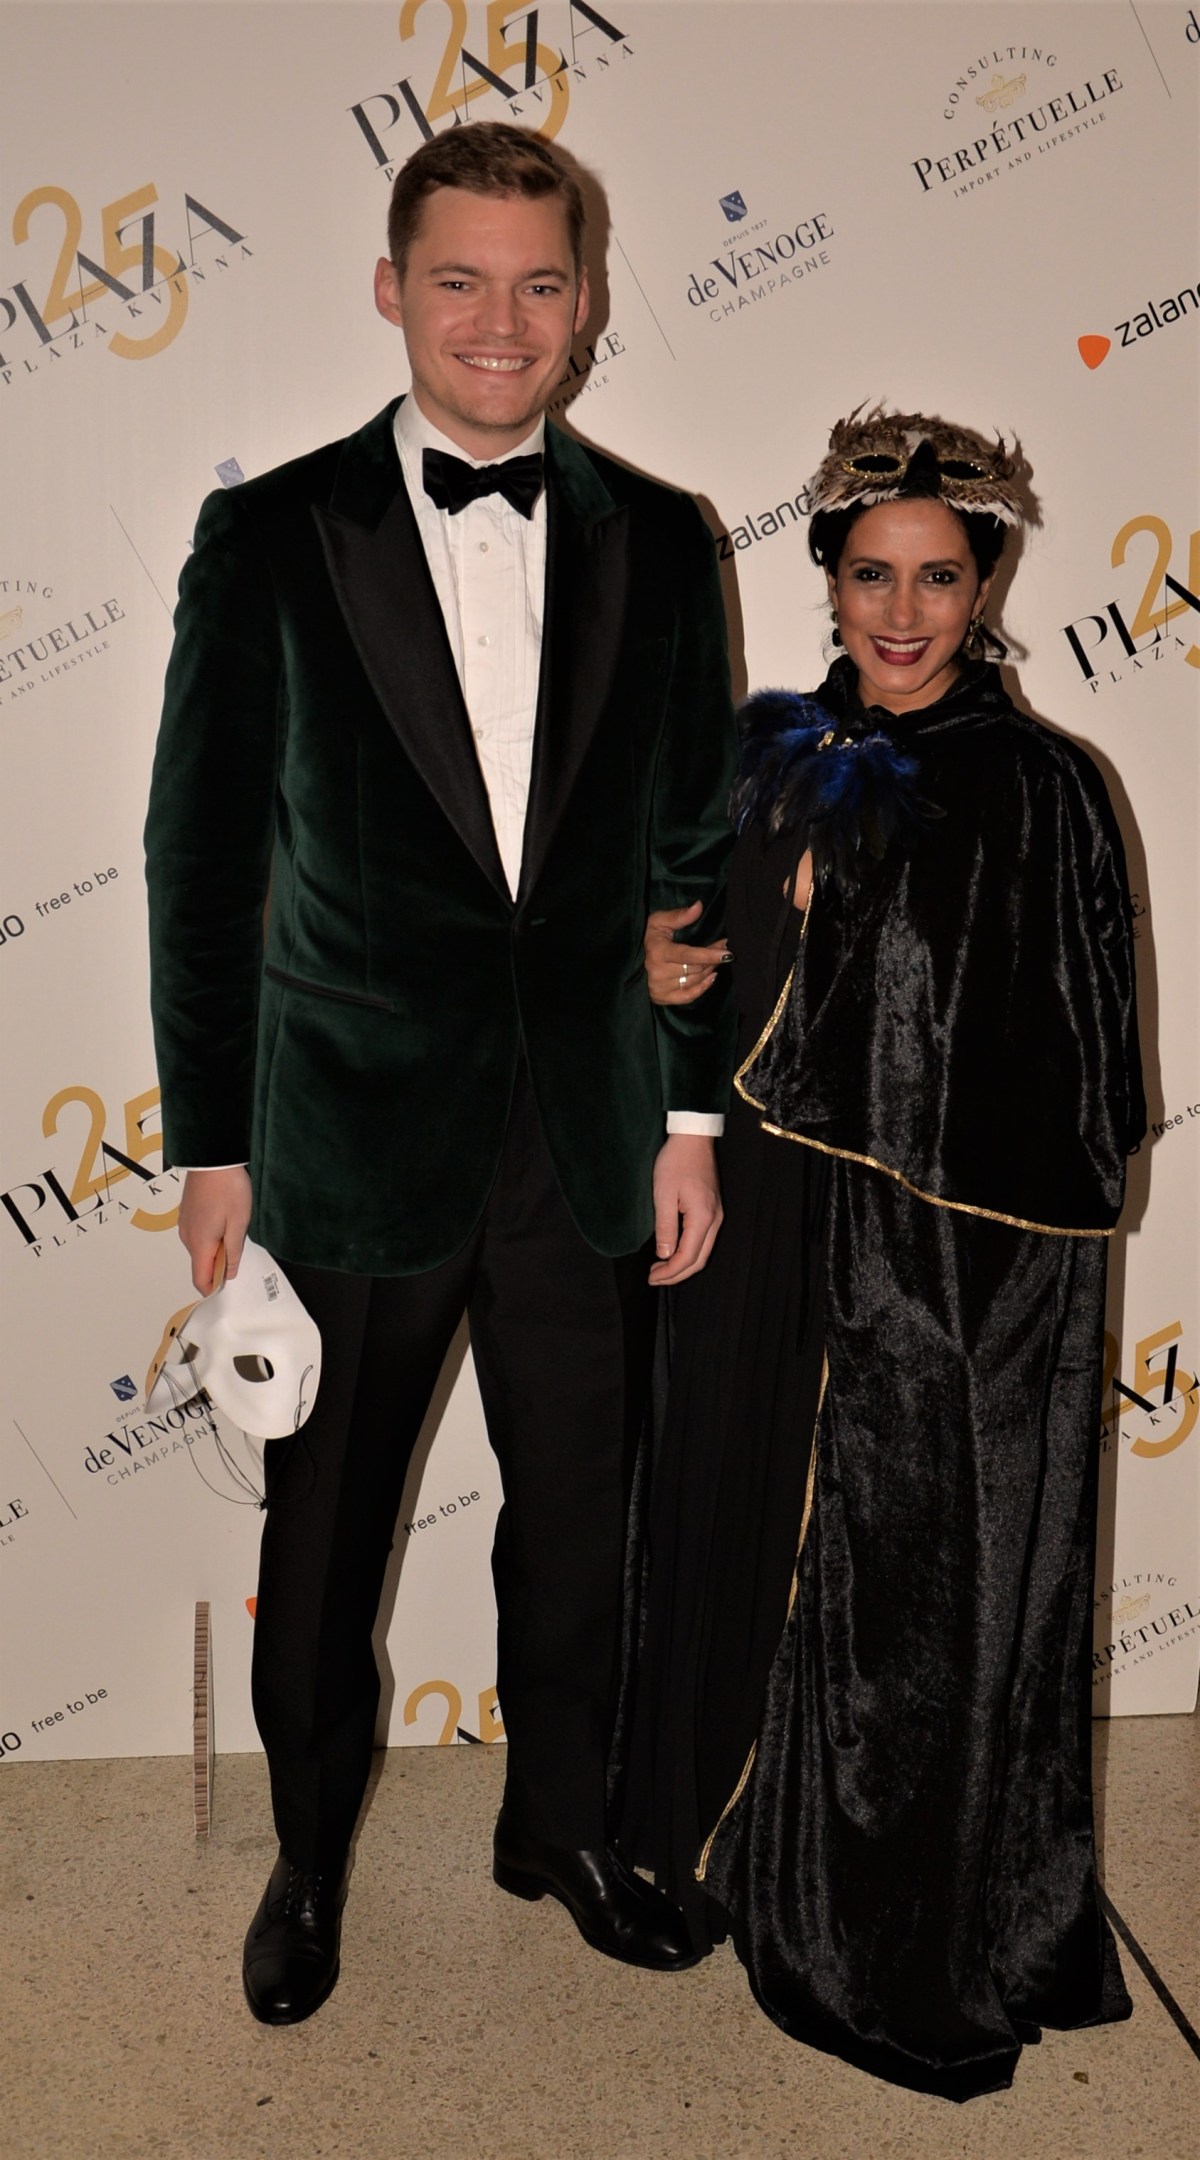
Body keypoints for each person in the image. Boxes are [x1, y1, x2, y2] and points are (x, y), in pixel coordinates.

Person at [144, 121, 737, 2025]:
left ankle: (561, 1829)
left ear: (588, 301)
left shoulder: (667, 538)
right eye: (461, 279)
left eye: (540, 282)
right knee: (322, 1535)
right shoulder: (272, 534)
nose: (502, 319)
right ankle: (309, 1858)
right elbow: (200, 865)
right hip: (345, 1130)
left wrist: (692, 1116)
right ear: (392, 288)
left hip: (588, 1128)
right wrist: (215, 1144)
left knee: (585, 1516)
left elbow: (693, 854)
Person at [621, 409, 1145, 2101]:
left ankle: (890, 1928)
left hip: (942, 1276)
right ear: (830, 580)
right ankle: (713, 1852)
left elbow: (1066, 1088)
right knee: (728, 1510)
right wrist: (672, 970)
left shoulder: (1042, 790)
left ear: (986, 583)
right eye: (870, 576)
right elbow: (705, 975)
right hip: (767, 1223)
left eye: (936, 577)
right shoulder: (767, 754)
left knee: (917, 1585)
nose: (901, 614)